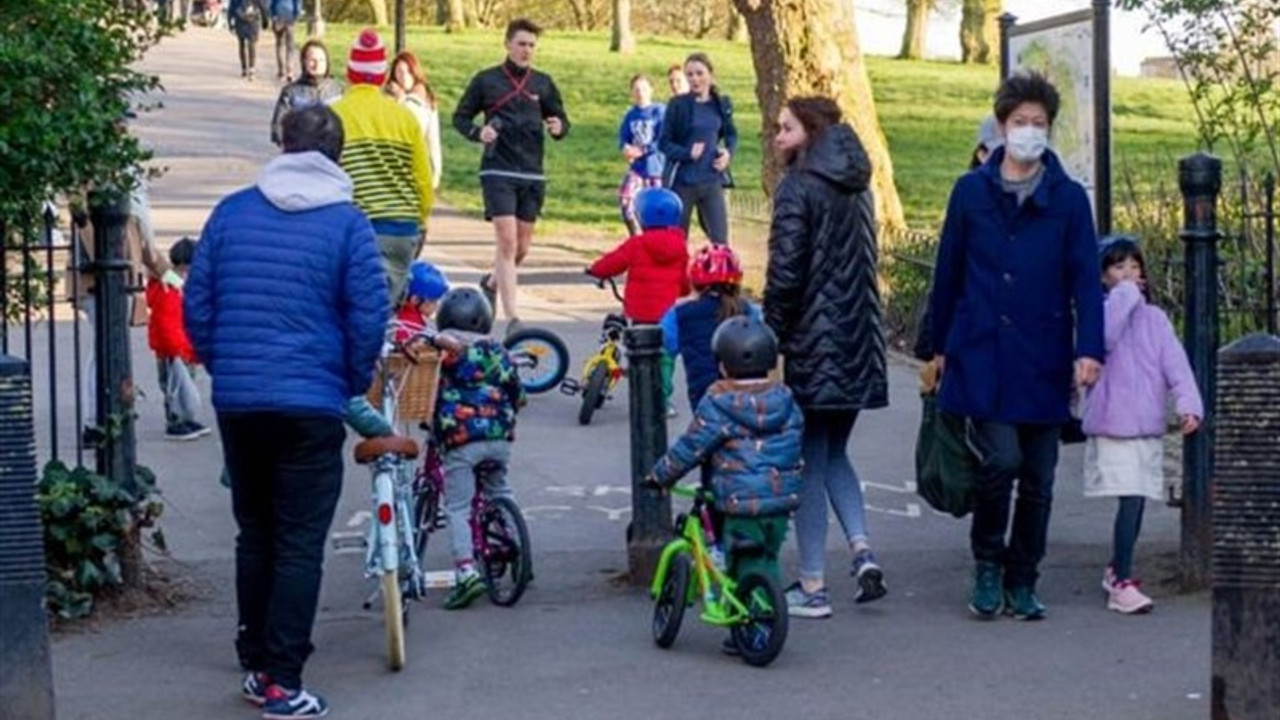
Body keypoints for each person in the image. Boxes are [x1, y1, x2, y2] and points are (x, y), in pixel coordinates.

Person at [184, 104, 389, 718]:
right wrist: (347, 382)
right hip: (311, 401)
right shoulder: (349, 225)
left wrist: (230, 368)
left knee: (256, 531)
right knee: (301, 540)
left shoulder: (233, 211)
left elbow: (200, 303)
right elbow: (368, 315)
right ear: (337, 155)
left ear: (282, 144)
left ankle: (254, 659)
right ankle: (282, 677)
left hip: (241, 400)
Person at [929, 72, 1104, 621]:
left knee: (1039, 476)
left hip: (1044, 354)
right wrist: (935, 346)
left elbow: (1085, 281)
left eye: (1040, 124)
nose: (1030, 132)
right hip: (981, 352)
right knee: (999, 461)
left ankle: (1023, 577)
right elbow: (948, 270)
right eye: (1020, 122)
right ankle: (987, 564)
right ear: (1002, 127)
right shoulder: (971, 192)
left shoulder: (1069, 199)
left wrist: (1090, 349)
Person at [763, 96, 887, 618]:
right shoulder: (859, 187)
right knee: (835, 451)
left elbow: (787, 272)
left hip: (815, 344)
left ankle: (812, 584)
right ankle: (862, 550)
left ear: (811, 132)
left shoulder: (799, 186)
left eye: (787, 128)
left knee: (808, 462)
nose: (778, 137)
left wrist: (770, 334)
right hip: (859, 341)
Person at [646, 316, 803, 653]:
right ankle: (765, 613)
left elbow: (691, 448)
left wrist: (660, 476)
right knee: (766, 558)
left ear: (722, 365)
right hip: (780, 500)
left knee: (741, 562)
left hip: (740, 503)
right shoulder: (786, 399)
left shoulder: (718, 402)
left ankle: (747, 628)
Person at [1082, 236, 1202, 615]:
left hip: (1145, 423)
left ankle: (1118, 568)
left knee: (1135, 501)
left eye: (1135, 267)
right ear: (1104, 276)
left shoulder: (1155, 320)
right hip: (1113, 423)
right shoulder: (1100, 311)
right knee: (1131, 498)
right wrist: (1124, 297)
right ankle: (1121, 578)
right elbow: (1103, 338)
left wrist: (1188, 404)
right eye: (1119, 268)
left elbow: (1176, 364)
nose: (1130, 275)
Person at [453, 18, 571, 336]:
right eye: (521, 43)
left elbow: (560, 117)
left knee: (521, 249)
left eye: (531, 45)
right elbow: (460, 117)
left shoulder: (543, 83)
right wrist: (480, 132)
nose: (526, 50)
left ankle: (491, 282)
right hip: (497, 170)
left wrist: (559, 127)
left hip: (532, 172)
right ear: (507, 44)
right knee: (506, 243)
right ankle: (513, 318)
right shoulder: (487, 80)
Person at [431, 288, 527, 610]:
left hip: (461, 438)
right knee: (500, 489)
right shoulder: (498, 350)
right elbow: (516, 390)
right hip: (500, 436)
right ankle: (521, 551)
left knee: (458, 506)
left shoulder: (446, 351)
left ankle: (466, 572)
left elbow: (431, 385)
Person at [330, 29, 434, 308]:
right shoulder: (404, 117)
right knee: (385, 309)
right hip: (400, 226)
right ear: (382, 74)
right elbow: (422, 178)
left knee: (348, 305)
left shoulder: (333, 115)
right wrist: (421, 219)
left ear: (349, 71)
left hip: (351, 225)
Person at [661, 243, 759, 412]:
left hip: (704, 400)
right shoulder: (750, 311)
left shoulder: (679, 314)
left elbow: (664, 351)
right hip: (748, 399)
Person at [657, 52, 737, 246]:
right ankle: (677, 276)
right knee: (676, 242)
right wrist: (687, 154)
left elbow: (731, 134)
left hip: (711, 180)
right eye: (690, 74)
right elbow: (663, 143)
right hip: (683, 182)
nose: (695, 79)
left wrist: (728, 153)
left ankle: (719, 276)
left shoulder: (721, 104)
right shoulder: (678, 105)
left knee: (720, 241)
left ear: (710, 74)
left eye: (699, 73)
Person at [586, 187, 690, 325]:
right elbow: (685, 282)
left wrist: (595, 270)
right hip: (670, 311)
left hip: (640, 312)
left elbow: (614, 262)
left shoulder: (637, 244)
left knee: (636, 342)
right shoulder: (680, 247)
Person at [143, 237, 211, 441]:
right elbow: (169, 324)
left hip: (177, 347)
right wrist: (180, 349)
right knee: (175, 386)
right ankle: (176, 421)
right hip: (174, 349)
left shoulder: (174, 288)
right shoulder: (171, 291)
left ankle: (184, 418)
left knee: (183, 384)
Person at [385, 51, 443, 193]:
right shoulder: (388, 99)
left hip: (415, 165)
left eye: (408, 72)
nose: (404, 77)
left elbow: (433, 140)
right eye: (399, 72)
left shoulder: (424, 101)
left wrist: (435, 173)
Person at [617, 74, 665, 237]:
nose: (640, 93)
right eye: (636, 89)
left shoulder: (659, 111)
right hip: (637, 168)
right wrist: (625, 149)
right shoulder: (631, 115)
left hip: (656, 169)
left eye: (643, 88)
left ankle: (654, 241)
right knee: (626, 199)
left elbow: (663, 139)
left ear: (651, 90)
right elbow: (623, 138)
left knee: (656, 211)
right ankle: (635, 238)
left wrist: (643, 150)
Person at [269, 40, 341, 147]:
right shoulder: (291, 93)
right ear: (304, 62)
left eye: (321, 60)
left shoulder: (337, 90)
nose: (317, 64)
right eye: (312, 60)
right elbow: (277, 126)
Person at [228, 0, 267, 81]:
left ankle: (244, 69)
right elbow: (262, 6)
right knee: (252, 44)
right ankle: (252, 69)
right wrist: (265, 21)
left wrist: (230, 22)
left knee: (241, 44)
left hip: (239, 20)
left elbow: (231, 7)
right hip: (253, 20)